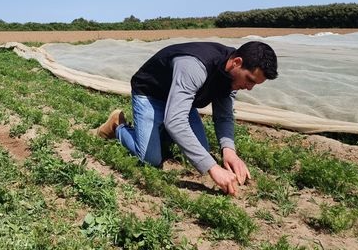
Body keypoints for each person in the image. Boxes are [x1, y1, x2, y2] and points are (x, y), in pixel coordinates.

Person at [96, 41, 277, 196]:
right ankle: (118, 127)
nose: (250, 88)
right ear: (237, 62)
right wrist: (213, 169)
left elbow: (223, 116)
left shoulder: (231, 74)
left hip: (180, 102)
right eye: (250, 80)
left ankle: (160, 131)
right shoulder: (194, 66)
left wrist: (229, 151)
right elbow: (175, 121)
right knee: (151, 159)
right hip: (151, 95)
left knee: (202, 151)